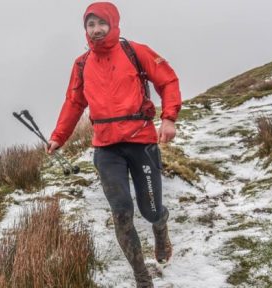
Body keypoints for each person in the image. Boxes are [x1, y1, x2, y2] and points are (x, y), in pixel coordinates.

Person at [47, 2, 181, 287]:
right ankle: (141, 275)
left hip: (141, 143)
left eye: (100, 24)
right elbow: (74, 103)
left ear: (112, 23)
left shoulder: (136, 52)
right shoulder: (82, 64)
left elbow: (167, 81)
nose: (95, 30)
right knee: (121, 214)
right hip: (106, 149)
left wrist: (168, 118)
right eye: (90, 25)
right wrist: (59, 136)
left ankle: (160, 227)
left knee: (151, 209)